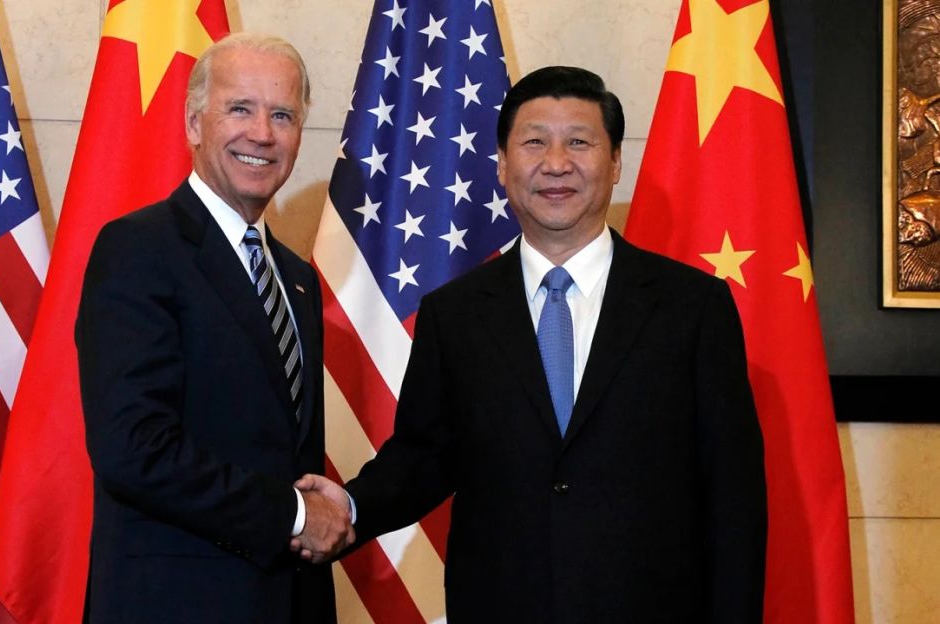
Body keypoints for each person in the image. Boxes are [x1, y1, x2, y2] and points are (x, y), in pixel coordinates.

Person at [296, 66, 767, 622]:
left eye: (579, 142)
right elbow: (424, 457)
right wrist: (348, 504)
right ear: (501, 164)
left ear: (616, 162)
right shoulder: (455, 313)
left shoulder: (693, 307)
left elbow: (733, 498)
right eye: (534, 142)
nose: (556, 163)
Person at [76, 33, 351, 623]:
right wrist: (296, 515)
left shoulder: (298, 279)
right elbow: (133, 449)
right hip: (175, 604)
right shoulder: (138, 248)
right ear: (194, 124)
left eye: (283, 114)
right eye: (240, 109)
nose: (262, 133)